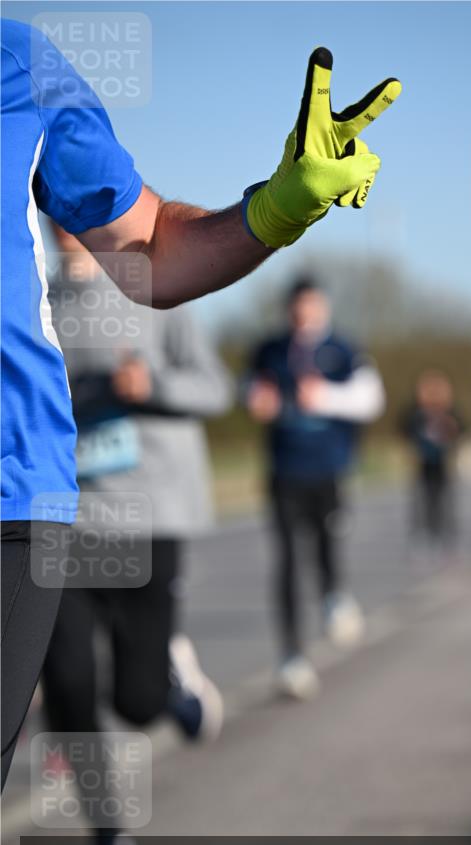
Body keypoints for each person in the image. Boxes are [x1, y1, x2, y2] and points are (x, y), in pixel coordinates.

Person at [1, 18, 400, 790]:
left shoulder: (17, 63)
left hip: (27, 490)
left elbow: (151, 246)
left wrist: (275, 209)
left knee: (133, 690)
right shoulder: (52, 292)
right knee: (76, 689)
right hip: (82, 509)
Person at [38, 228, 228, 845]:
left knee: (138, 703)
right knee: (66, 681)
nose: (62, 227)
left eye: (73, 213)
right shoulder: (36, 301)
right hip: (64, 519)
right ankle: (108, 829)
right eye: (50, 213)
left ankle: (167, 675)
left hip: (149, 516)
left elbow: (216, 389)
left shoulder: (155, 292)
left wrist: (154, 387)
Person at [244, 277, 385, 699]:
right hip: (284, 471)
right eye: (296, 307)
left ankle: (333, 594)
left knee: (326, 544)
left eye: (311, 307)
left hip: (328, 470)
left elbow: (370, 400)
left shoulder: (343, 349)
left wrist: (323, 397)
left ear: (323, 308)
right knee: (286, 561)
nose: (303, 315)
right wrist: (256, 397)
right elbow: (249, 387)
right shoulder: (269, 348)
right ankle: (291, 656)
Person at [400, 370, 461, 553]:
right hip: (422, 463)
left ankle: (446, 540)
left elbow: (460, 429)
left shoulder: (450, 413)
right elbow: (405, 429)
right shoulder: (416, 414)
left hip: (443, 463)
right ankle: (422, 538)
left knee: (444, 502)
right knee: (421, 502)